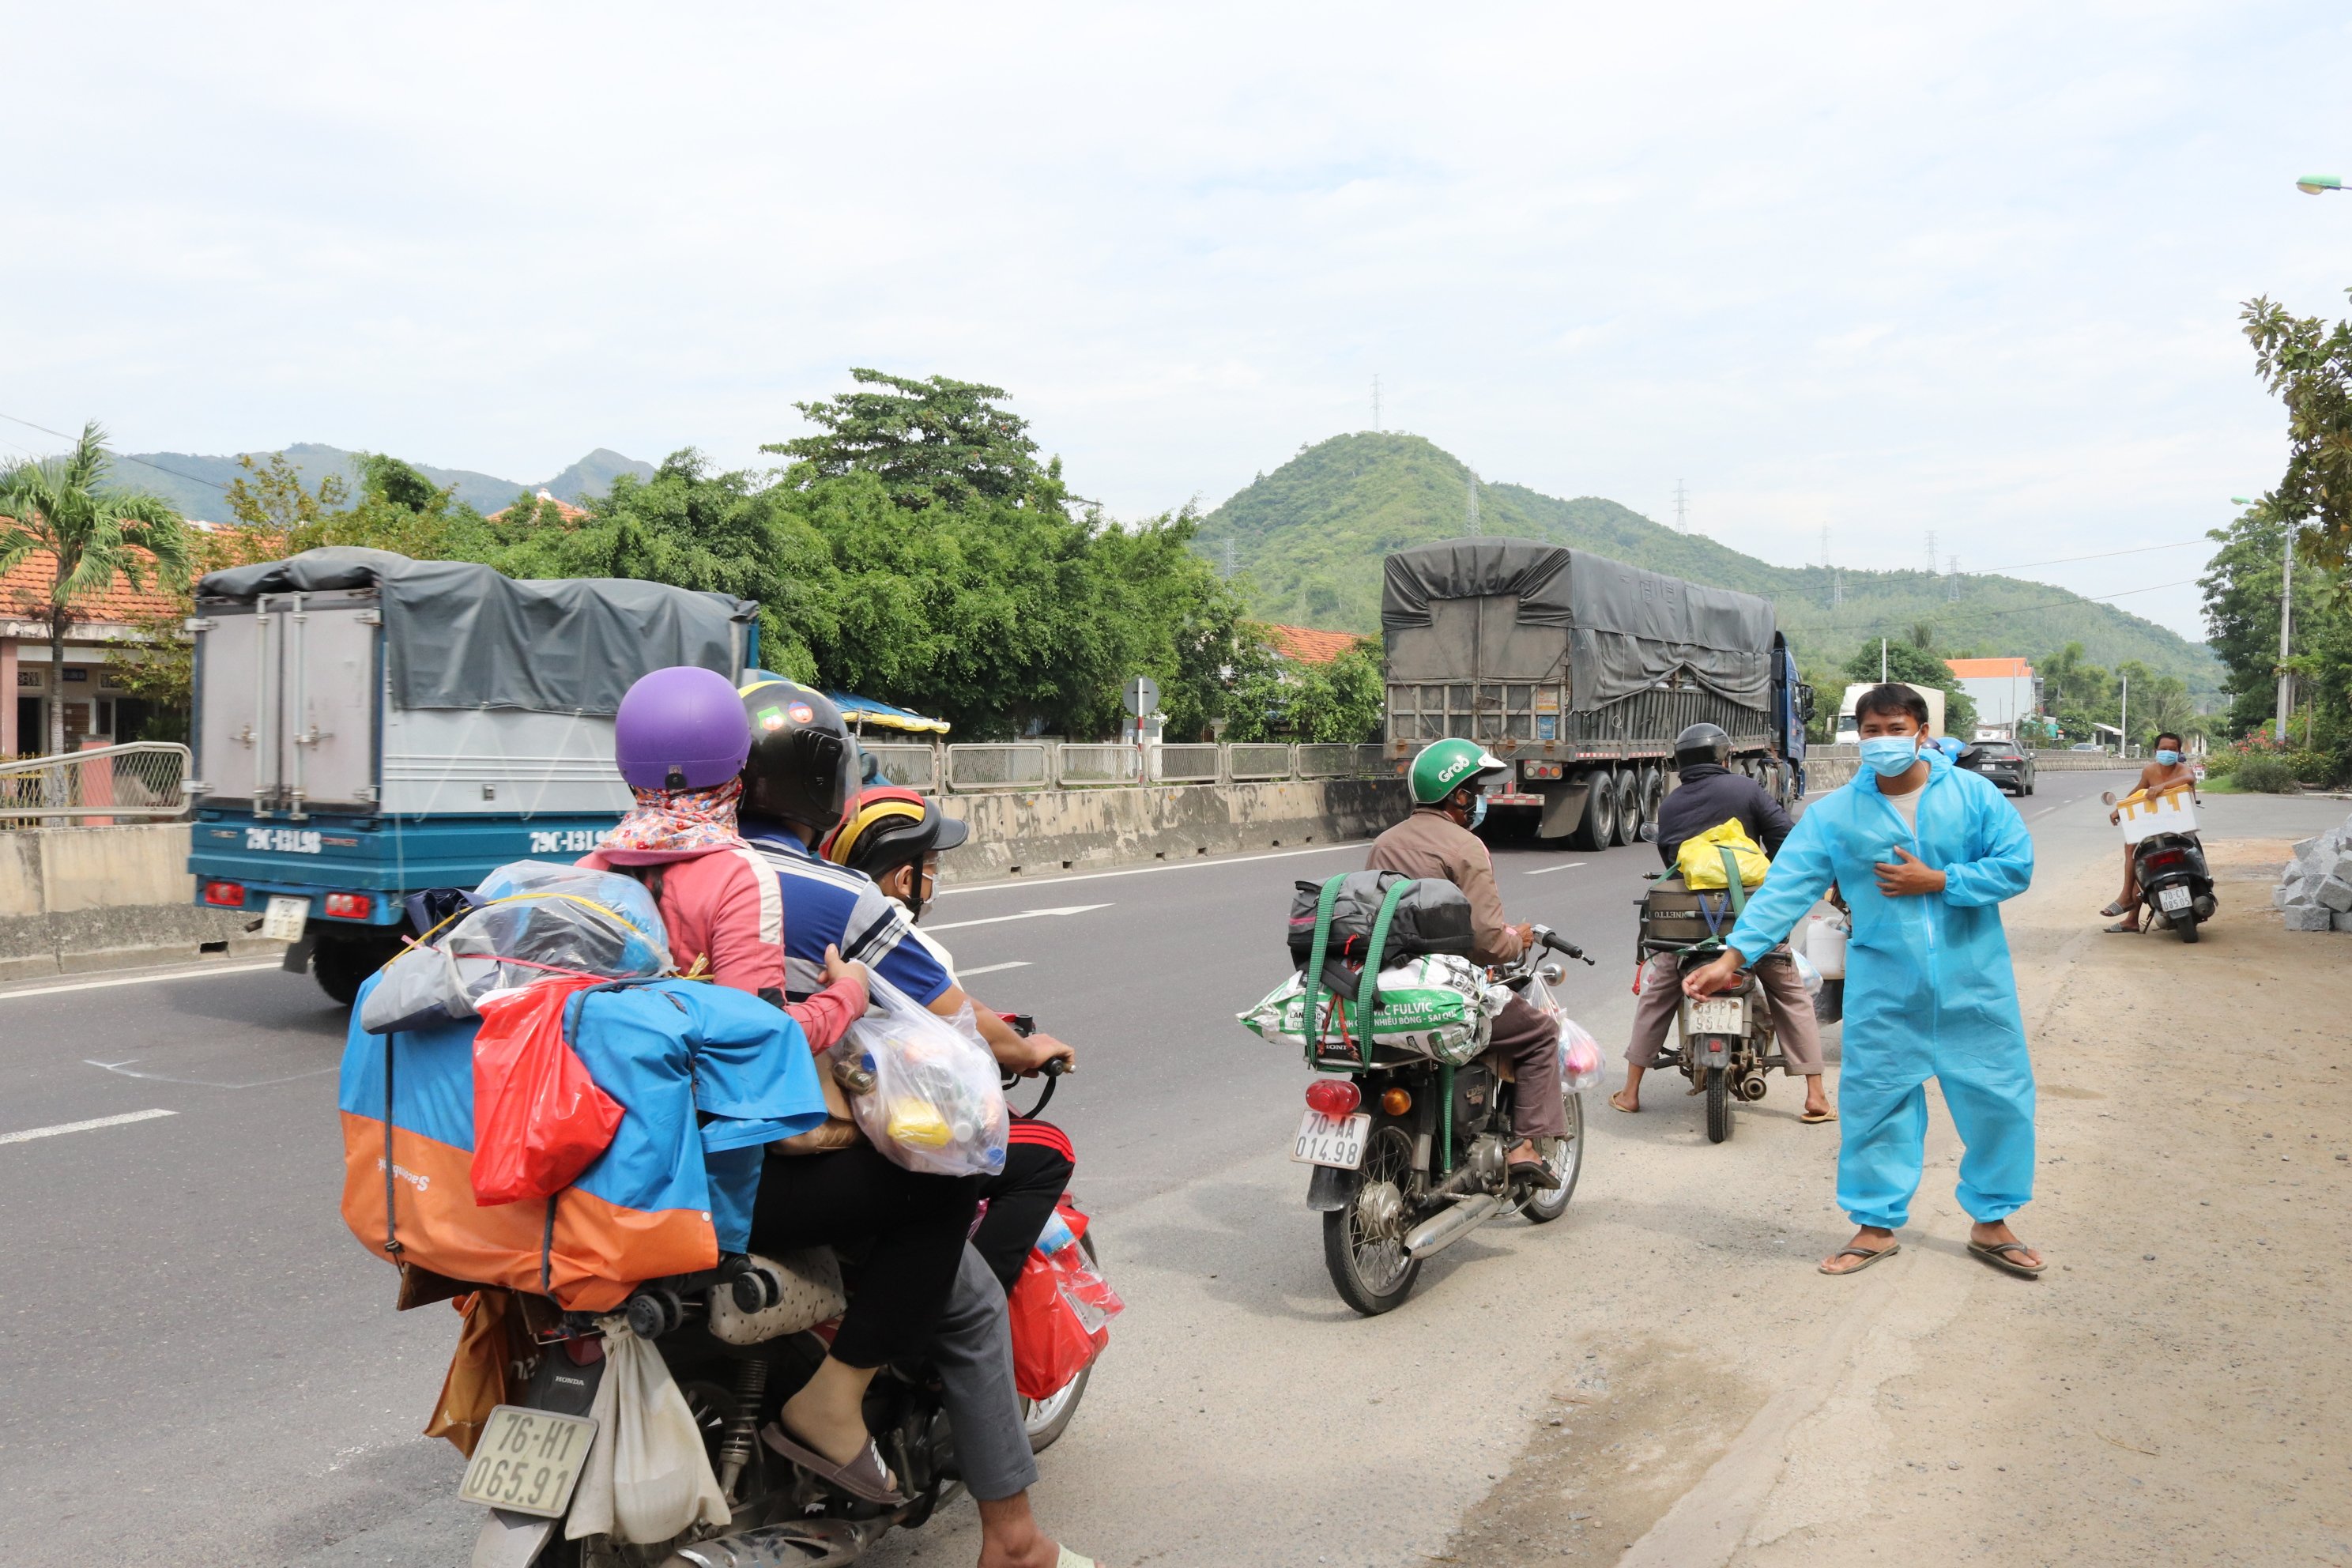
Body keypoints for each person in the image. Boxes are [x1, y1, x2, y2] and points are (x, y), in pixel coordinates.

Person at [575, 666, 974, 1510]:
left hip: (604, 1169)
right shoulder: (732, 876)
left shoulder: (594, 871)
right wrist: (846, 996)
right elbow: (759, 1051)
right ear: (736, 768)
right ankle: (832, 1406)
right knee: (946, 1184)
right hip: (711, 1184)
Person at [732, 678, 1097, 1568]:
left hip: (644, 1170)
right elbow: (960, 1023)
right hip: (767, 1170)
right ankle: (1011, 1540)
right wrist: (1025, 1047)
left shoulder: (637, 873)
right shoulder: (836, 899)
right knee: (963, 1242)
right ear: (824, 783)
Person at [1682, 684, 2044, 1280]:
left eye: (1894, 729)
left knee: (2000, 1101)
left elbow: (2016, 864)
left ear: (1922, 731)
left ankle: (1993, 1221)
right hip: (1885, 986)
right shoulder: (1835, 814)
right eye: (1870, 732)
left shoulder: (1974, 797)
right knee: (1877, 1104)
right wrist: (1735, 956)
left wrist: (1943, 881)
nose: (1881, 742)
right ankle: (1874, 1226)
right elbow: (1787, 887)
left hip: (1973, 981)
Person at [829, 785, 1080, 1293]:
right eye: (932, 865)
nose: (935, 877)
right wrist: (1027, 1050)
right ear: (905, 877)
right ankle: (958, 1302)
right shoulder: (893, 933)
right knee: (1050, 1149)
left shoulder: (825, 917)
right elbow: (962, 1015)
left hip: (843, 1097)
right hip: (894, 1125)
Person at [1363, 737, 1565, 1190]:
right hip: (1444, 989)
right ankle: (1526, 1147)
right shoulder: (1465, 846)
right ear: (1456, 796)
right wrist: (1521, 938)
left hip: (1386, 985)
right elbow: (1490, 943)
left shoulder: (1384, 843)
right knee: (1539, 1033)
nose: (1478, 801)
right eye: (1474, 791)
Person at [1610, 723, 1832, 1124]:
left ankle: (1630, 1092)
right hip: (1751, 925)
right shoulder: (1747, 790)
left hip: (1686, 932)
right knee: (1790, 994)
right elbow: (1787, 838)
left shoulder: (1672, 803)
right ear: (1724, 758)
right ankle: (1815, 1095)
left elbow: (1670, 862)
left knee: (1657, 993)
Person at [2101, 731, 2203, 933]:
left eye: (2172, 750)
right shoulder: (2149, 771)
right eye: (2163, 749)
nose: (2167, 753)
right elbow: (2137, 792)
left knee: (2196, 854)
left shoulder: (2183, 769)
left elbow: (2189, 779)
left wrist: (2161, 787)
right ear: (2156, 751)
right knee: (2134, 850)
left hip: (2180, 829)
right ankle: (2127, 901)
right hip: (2153, 826)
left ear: (2179, 752)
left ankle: (2202, 884)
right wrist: (2119, 809)